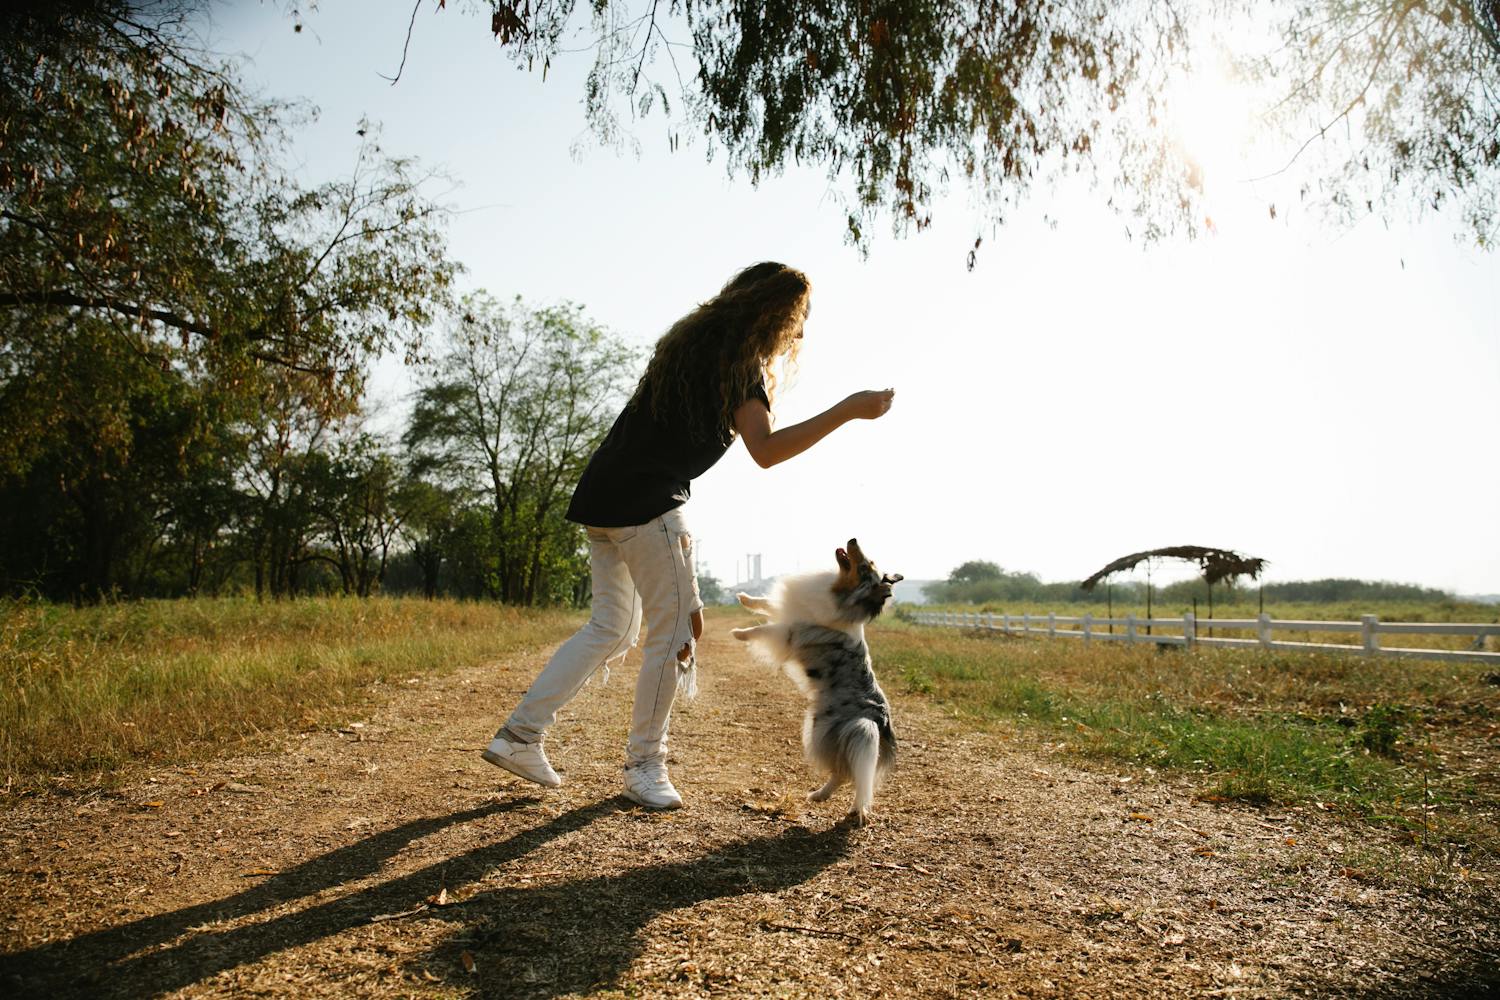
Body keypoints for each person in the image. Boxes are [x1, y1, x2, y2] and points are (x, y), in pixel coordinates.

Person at [482, 261, 895, 808]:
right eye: (798, 319)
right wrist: (849, 410)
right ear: (774, 314)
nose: (799, 333)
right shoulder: (741, 370)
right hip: (649, 505)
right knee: (675, 635)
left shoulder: (690, 350)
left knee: (612, 627)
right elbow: (767, 452)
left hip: (604, 496)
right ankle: (643, 765)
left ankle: (519, 736)